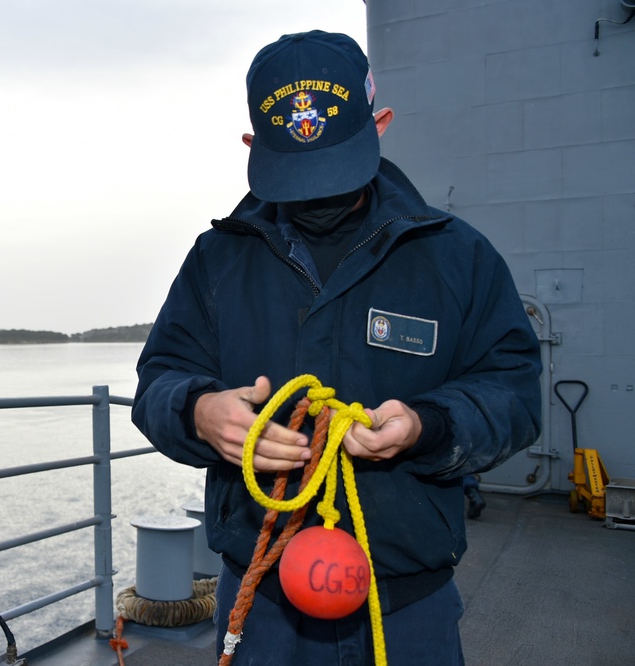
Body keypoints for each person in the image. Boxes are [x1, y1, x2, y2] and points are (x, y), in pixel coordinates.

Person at [131, 30, 541, 665]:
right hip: (261, 599)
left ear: (381, 125)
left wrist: (428, 426)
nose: (318, 192)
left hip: (408, 605)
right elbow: (159, 378)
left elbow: (512, 393)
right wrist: (198, 413)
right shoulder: (217, 260)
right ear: (252, 148)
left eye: (335, 168)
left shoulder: (458, 257)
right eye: (296, 173)